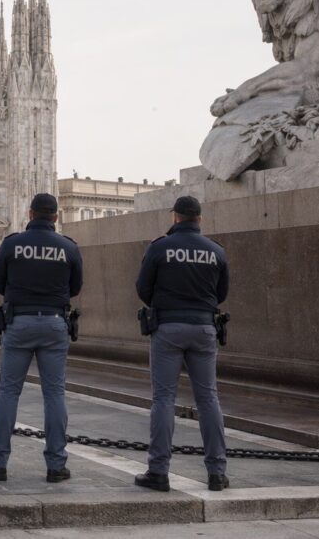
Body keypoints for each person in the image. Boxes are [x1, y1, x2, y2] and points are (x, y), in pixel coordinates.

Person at [0, 193, 83, 484]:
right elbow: (76, 287)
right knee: (55, 394)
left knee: (9, 393)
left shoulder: (12, 243)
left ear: (30, 213)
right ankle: (56, 466)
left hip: (19, 321)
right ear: (56, 217)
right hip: (54, 322)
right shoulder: (68, 247)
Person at [134, 195, 230, 493]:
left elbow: (143, 289)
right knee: (208, 399)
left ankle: (159, 471)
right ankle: (217, 473)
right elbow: (222, 292)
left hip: (168, 327)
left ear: (174, 217)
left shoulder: (159, 247)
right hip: (204, 328)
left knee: (163, 399)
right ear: (199, 219)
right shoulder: (216, 251)